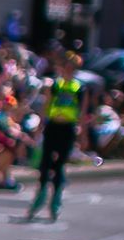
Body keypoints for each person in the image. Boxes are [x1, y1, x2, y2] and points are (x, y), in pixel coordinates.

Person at [27, 49, 90, 224]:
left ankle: (56, 199)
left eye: (71, 67)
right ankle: (41, 194)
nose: (68, 70)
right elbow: (46, 107)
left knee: (60, 164)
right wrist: (40, 127)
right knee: (45, 162)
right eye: (66, 66)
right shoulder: (54, 85)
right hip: (53, 127)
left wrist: (83, 135)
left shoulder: (80, 88)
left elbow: (82, 113)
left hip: (68, 128)